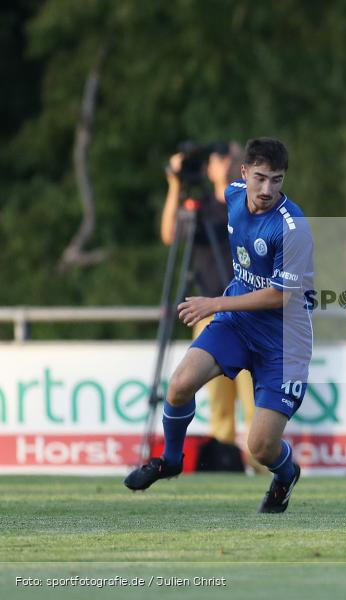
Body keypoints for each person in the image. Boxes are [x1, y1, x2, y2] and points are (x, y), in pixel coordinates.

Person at [126, 138, 314, 514]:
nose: (267, 190)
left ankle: (286, 472)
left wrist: (214, 303)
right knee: (179, 386)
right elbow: (173, 232)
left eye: (276, 180)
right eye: (260, 178)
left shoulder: (292, 227)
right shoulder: (231, 195)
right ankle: (172, 459)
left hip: (282, 342)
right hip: (238, 325)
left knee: (259, 447)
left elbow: (280, 296)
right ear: (243, 173)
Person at [160, 142, 258, 469]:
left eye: (232, 156)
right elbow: (170, 234)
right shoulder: (200, 209)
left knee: (256, 399)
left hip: (249, 312)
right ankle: (225, 462)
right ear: (211, 168)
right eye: (223, 156)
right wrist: (174, 184)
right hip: (209, 314)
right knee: (218, 402)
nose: (229, 161)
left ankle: (263, 463)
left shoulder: (248, 205)